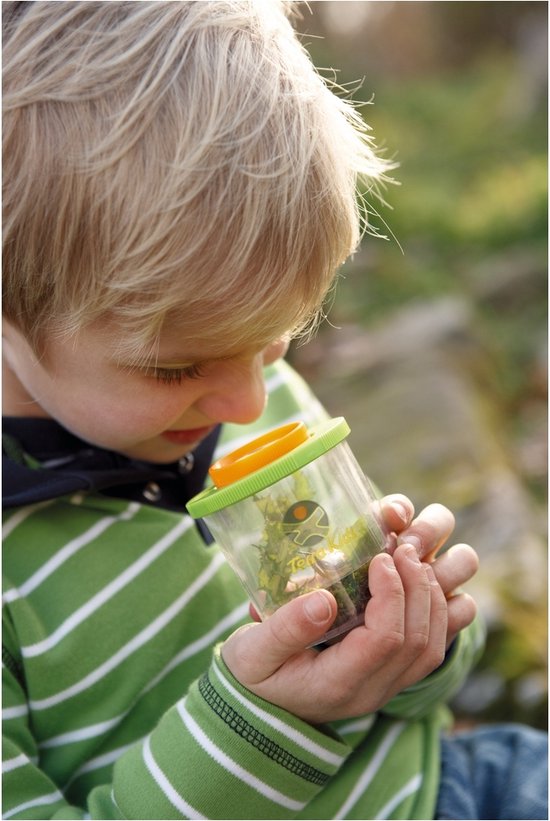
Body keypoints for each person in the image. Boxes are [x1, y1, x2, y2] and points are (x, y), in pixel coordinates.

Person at [2, 2, 546, 819]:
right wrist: (273, 721)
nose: (251, 400)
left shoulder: (249, 394)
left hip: (454, 786)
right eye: (173, 366)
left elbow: (413, 700)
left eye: (275, 342)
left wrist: (413, 635)